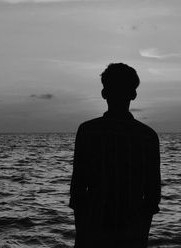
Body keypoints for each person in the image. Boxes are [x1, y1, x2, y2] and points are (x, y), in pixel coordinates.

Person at [69, 63, 161, 248]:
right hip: (133, 233)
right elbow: (152, 195)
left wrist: (83, 234)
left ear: (104, 93)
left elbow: (78, 189)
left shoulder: (88, 131)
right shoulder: (147, 136)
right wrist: (141, 232)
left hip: (93, 230)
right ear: (133, 94)